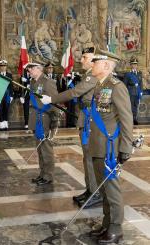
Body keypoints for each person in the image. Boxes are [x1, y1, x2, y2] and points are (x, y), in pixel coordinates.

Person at [41, 47, 102, 208]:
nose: (81, 60)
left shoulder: (93, 77)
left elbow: (75, 92)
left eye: (85, 57)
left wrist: (52, 99)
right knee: (86, 157)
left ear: (94, 61)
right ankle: (90, 190)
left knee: (90, 157)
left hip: (90, 121)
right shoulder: (87, 75)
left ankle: (95, 193)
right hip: (85, 119)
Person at [88, 50, 133, 243]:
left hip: (109, 148)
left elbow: (126, 118)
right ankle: (107, 223)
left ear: (106, 65)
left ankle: (116, 227)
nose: (92, 64)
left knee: (112, 189)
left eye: (96, 61)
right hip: (98, 145)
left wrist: (125, 147)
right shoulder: (100, 86)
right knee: (104, 188)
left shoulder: (117, 86)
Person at [25, 61, 60, 186]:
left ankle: (48, 176)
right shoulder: (33, 82)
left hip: (45, 119)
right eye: (28, 69)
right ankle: (42, 174)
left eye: (31, 69)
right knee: (40, 149)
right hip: (36, 119)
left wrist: (54, 121)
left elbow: (54, 101)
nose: (29, 71)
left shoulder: (48, 82)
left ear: (38, 69)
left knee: (46, 149)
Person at [123, 56, 143, 124]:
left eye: (135, 64)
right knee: (130, 107)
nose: (134, 66)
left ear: (137, 65)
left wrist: (141, 92)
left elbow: (141, 84)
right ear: (131, 65)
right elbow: (124, 85)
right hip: (130, 93)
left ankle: (134, 118)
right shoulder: (128, 74)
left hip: (137, 93)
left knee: (136, 106)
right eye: (133, 64)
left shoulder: (139, 73)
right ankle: (130, 119)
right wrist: (125, 94)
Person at [0, 59, 13, 131]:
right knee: (0, 109)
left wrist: (11, 95)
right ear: (0, 67)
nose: (3, 68)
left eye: (4, 66)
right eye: (2, 66)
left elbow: (11, 86)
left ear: (6, 67)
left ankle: (6, 123)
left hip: (7, 95)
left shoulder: (9, 75)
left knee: (6, 109)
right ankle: (1, 124)